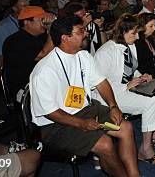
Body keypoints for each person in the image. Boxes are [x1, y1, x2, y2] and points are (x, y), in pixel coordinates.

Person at [30, 17, 140, 177]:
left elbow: (102, 83)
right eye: (80, 31)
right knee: (105, 144)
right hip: (56, 125)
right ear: (65, 38)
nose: (86, 33)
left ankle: (134, 174)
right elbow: (50, 112)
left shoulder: (83, 56)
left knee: (125, 127)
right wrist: (81, 123)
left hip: (85, 110)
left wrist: (113, 106)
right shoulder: (44, 70)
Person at [94, 14, 155, 164]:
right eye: (134, 33)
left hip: (125, 88)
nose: (137, 37)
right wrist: (127, 85)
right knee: (152, 102)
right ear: (123, 32)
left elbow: (131, 68)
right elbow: (99, 85)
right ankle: (145, 149)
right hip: (110, 96)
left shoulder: (129, 46)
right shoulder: (105, 52)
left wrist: (141, 76)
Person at [3, 6, 54, 102]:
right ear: (26, 22)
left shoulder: (42, 37)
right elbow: (43, 55)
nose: (44, 23)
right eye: (41, 20)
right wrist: (51, 31)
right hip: (25, 88)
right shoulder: (16, 41)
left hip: (43, 82)